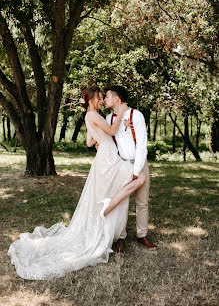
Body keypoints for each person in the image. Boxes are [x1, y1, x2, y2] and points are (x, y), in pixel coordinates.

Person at [7, 87, 145, 280]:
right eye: (98, 98)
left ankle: (109, 226)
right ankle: (106, 222)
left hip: (102, 159)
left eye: (101, 98)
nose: (100, 101)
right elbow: (113, 130)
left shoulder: (91, 116)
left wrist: (99, 139)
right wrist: (121, 112)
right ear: (90, 100)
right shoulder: (94, 115)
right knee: (134, 182)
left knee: (106, 194)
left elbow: (89, 142)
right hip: (108, 160)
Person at [105, 85, 156, 252]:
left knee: (142, 201)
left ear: (116, 99)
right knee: (122, 202)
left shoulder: (136, 115)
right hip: (121, 164)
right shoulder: (109, 118)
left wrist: (136, 170)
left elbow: (142, 145)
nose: (105, 100)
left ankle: (142, 235)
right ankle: (120, 237)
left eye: (107, 97)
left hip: (139, 163)